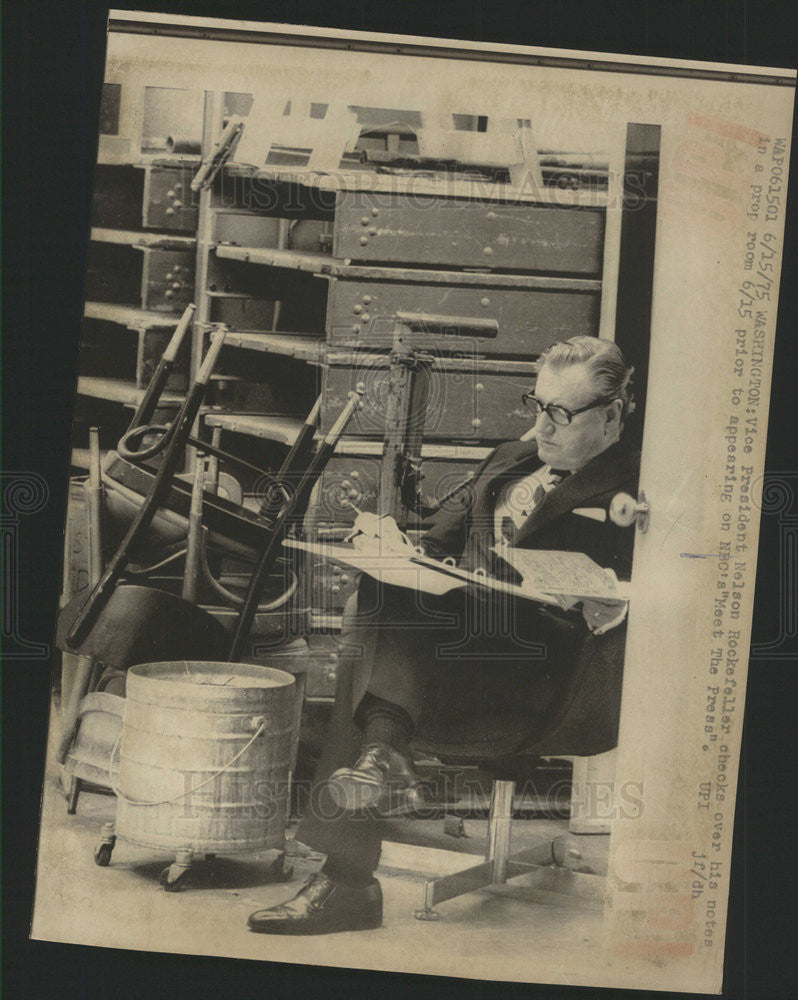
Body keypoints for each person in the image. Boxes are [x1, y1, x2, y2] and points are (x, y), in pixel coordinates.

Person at [248, 335, 639, 935]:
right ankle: (381, 759)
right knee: (382, 588)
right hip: (451, 658)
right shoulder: (510, 459)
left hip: (544, 677)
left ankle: (353, 862)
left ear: (610, 415)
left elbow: (659, 599)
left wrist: (610, 607)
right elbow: (435, 544)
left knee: (373, 637)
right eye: (537, 406)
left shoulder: (636, 491)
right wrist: (391, 547)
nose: (543, 427)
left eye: (561, 413)